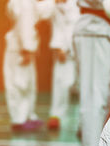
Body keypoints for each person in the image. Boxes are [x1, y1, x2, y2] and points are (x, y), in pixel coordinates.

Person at [73, 0, 110, 146]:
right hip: (93, 31)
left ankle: (96, 140)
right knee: (93, 93)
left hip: (107, 30)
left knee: (108, 91)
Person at [3, 0, 55, 131]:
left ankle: (27, 116)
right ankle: (19, 119)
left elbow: (39, 11)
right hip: (20, 49)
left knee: (28, 84)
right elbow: (25, 24)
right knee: (20, 84)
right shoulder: (24, 3)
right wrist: (27, 48)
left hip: (21, 47)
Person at [47, 0, 80, 130]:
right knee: (60, 83)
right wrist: (59, 47)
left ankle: (82, 121)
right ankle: (56, 115)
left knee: (82, 86)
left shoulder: (79, 4)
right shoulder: (53, 5)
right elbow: (57, 27)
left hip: (81, 48)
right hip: (63, 51)